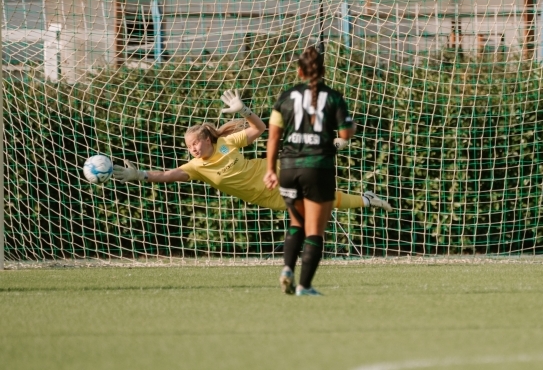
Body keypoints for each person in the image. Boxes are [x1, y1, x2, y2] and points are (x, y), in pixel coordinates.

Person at [112, 90, 392, 214]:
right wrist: (140, 175)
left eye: (195, 143)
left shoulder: (226, 143)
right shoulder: (196, 167)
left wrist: (244, 111)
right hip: (270, 198)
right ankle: (366, 200)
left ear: (207, 140)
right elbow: (167, 174)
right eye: (188, 147)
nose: (192, 149)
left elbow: (258, 129)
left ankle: (334, 144)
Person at [263, 46, 356, 296]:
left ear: (299, 71)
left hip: (289, 168)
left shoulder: (285, 97)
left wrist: (270, 169)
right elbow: (346, 134)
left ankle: (286, 269)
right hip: (317, 168)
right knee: (314, 230)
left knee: (297, 223)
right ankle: (304, 286)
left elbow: (273, 138)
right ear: (323, 71)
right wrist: (342, 138)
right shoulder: (334, 97)